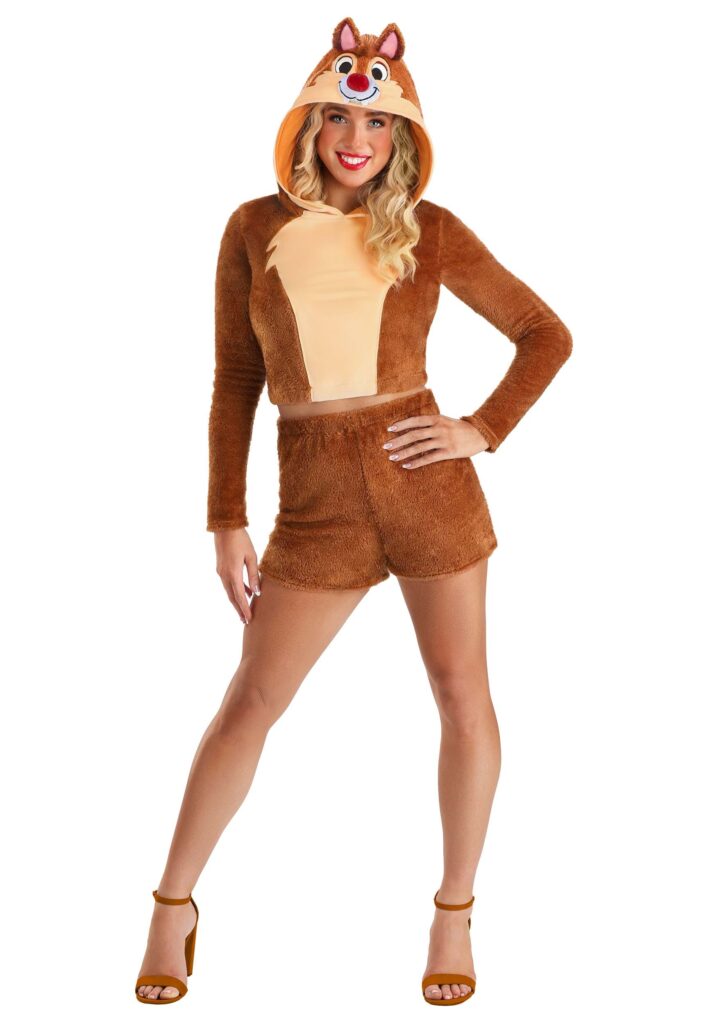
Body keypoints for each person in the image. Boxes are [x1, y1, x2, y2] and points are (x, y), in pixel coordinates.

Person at [135, 16, 572, 1007]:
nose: (355, 137)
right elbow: (235, 379)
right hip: (315, 498)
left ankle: (453, 912)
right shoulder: (252, 227)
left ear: (402, 134)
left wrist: (481, 429)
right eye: (337, 114)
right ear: (307, 122)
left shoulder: (430, 227)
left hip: (427, 486)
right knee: (251, 702)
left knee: (462, 696)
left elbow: (544, 333)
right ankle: (171, 903)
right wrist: (224, 517)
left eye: (376, 121)